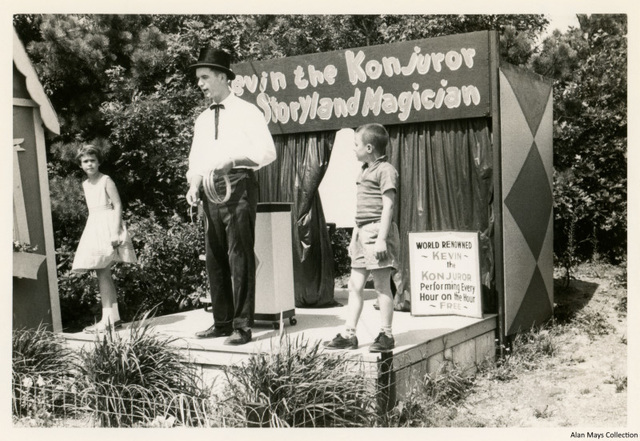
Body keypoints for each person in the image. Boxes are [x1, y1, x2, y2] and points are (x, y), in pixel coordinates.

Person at [186, 47, 276, 345]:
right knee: (214, 256)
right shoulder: (200, 120)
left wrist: (233, 160)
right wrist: (192, 185)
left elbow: (267, 153)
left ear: (223, 77)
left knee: (239, 255)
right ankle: (222, 322)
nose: (200, 84)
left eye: (205, 77)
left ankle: (242, 325)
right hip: (210, 189)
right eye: (198, 78)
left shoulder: (247, 111)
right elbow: (196, 161)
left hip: (238, 184)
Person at [324, 123, 400, 352]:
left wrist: (381, 239)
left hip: (377, 231)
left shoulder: (385, 170)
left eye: (355, 145)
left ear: (369, 147)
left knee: (380, 286)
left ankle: (386, 334)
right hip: (362, 233)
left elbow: (388, 207)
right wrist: (353, 238)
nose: (353, 149)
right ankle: (349, 334)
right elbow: (361, 212)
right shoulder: (364, 171)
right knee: (354, 286)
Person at [71, 144, 137, 333]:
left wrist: (115, 232)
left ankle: (108, 319)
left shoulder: (105, 180)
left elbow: (117, 205)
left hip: (108, 224)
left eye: (92, 160)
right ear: (80, 165)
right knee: (102, 272)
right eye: (85, 161)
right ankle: (113, 318)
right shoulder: (85, 184)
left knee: (103, 271)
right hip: (95, 225)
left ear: (98, 162)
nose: (89, 164)